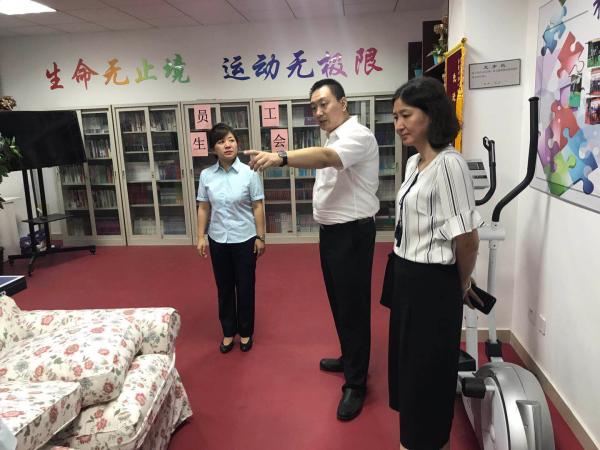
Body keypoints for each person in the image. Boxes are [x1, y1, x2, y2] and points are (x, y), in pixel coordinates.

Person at [244, 78, 379, 421]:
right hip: (333, 234)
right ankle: (350, 358)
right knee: (339, 302)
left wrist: (280, 157)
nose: (318, 112)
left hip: (352, 234)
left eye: (324, 104)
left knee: (353, 307)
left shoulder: (357, 135)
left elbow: (327, 158)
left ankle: (356, 383)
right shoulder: (334, 135)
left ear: (343, 103)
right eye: (314, 107)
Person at [388, 76, 484, 450]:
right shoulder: (415, 163)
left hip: (433, 284)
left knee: (426, 372)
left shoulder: (449, 165)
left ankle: (423, 442)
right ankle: (416, 439)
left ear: (430, 114)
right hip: (406, 276)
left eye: (406, 115)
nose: (399, 124)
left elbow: (467, 239)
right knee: (409, 370)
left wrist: (461, 284)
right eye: (396, 117)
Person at [197, 123, 266, 354]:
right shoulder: (206, 175)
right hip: (218, 239)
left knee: (245, 287)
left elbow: (257, 206)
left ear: (237, 143)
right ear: (213, 149)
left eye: (231, 140)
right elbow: (203, 207)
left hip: (245, 238)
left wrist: (260, 237)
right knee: (224, 287)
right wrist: (200, 236)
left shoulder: (250, 172)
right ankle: (228, 331)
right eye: (220, 141)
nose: (227, 145)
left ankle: (245, 331)